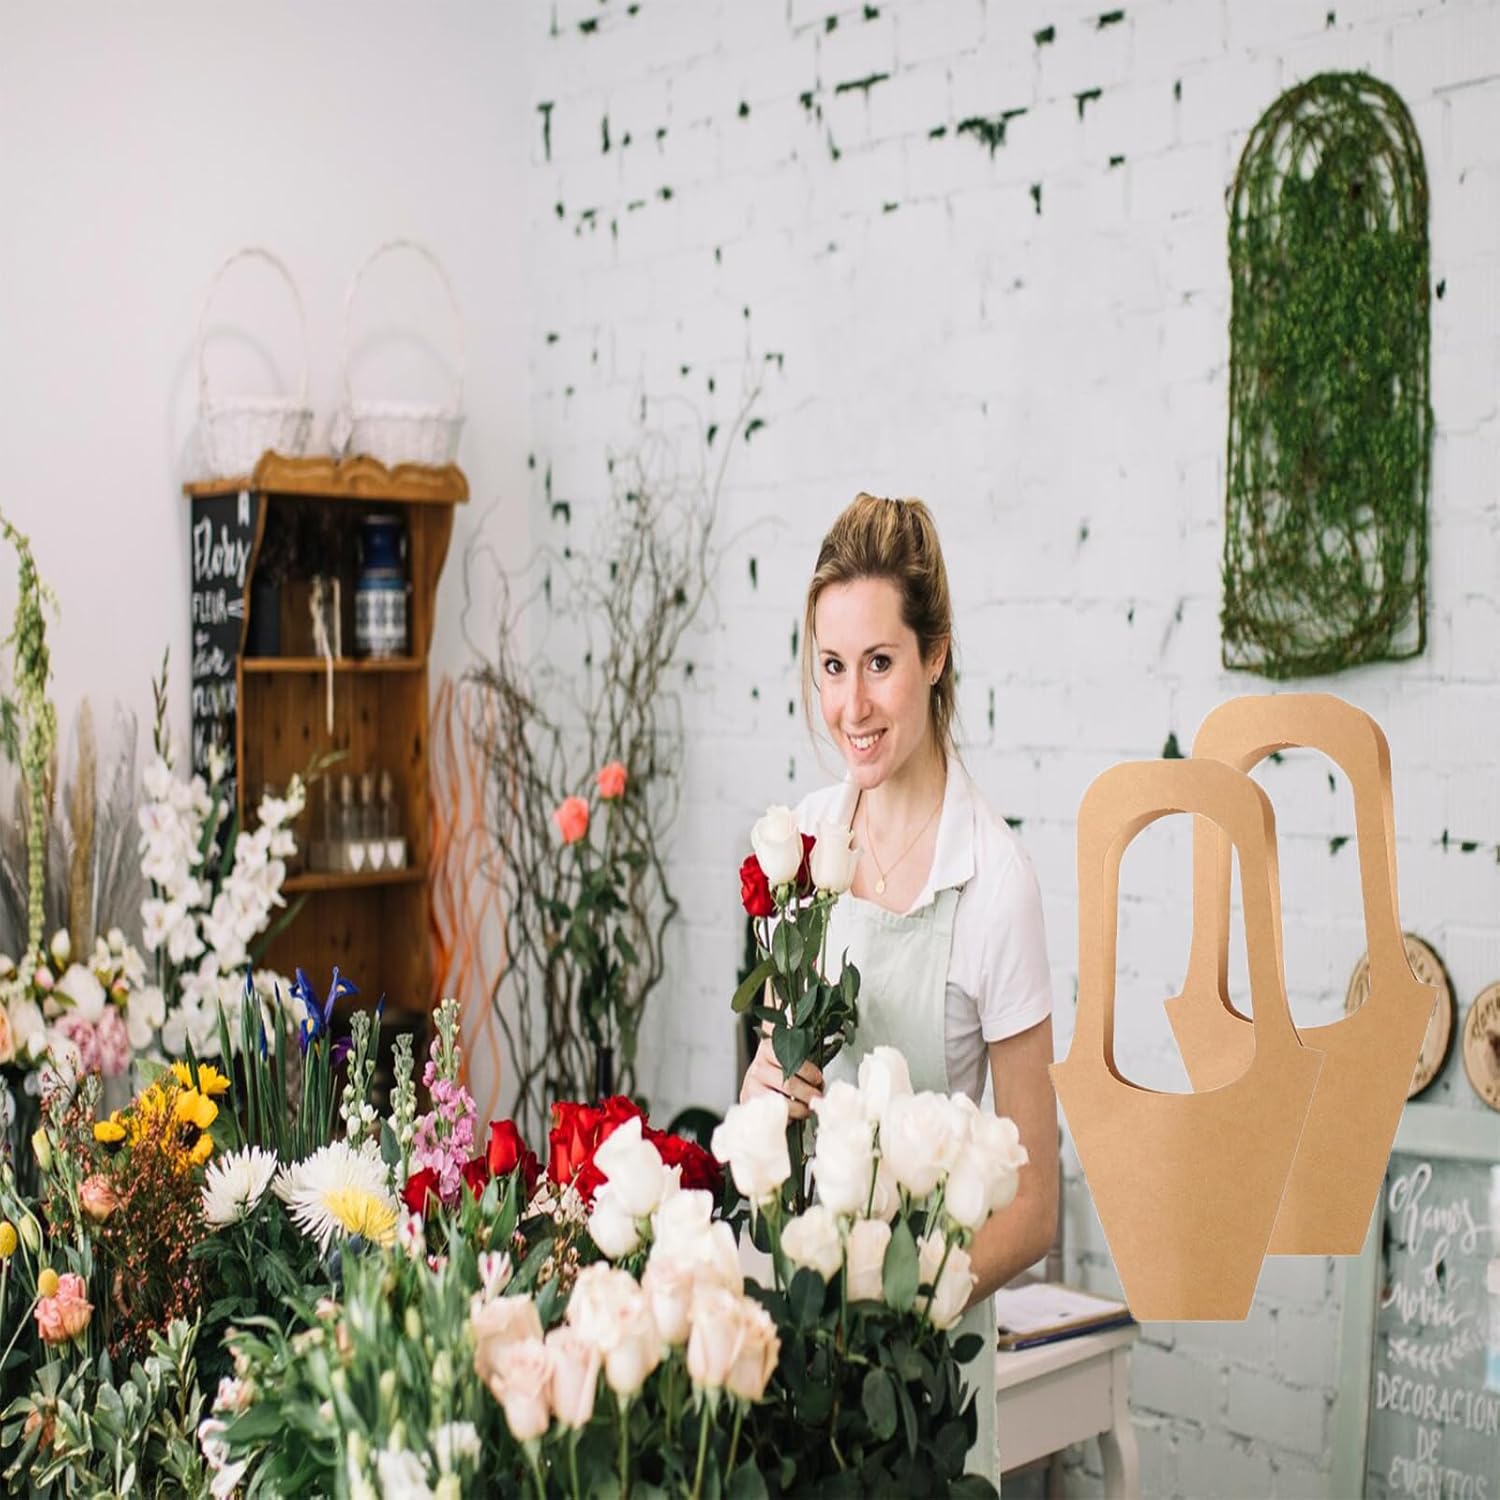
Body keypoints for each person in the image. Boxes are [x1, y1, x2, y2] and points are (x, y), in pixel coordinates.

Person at [740, 492, 1060, 1486]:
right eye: (832, 666)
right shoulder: (802, 841)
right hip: (801, 1352)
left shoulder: (993, 882)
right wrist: (763, 1093)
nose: (852, 707)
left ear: (936, 656)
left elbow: (1036, 1207)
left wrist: (896, 1309)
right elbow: (773, 1093)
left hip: (922, 1381)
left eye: (879, 662)